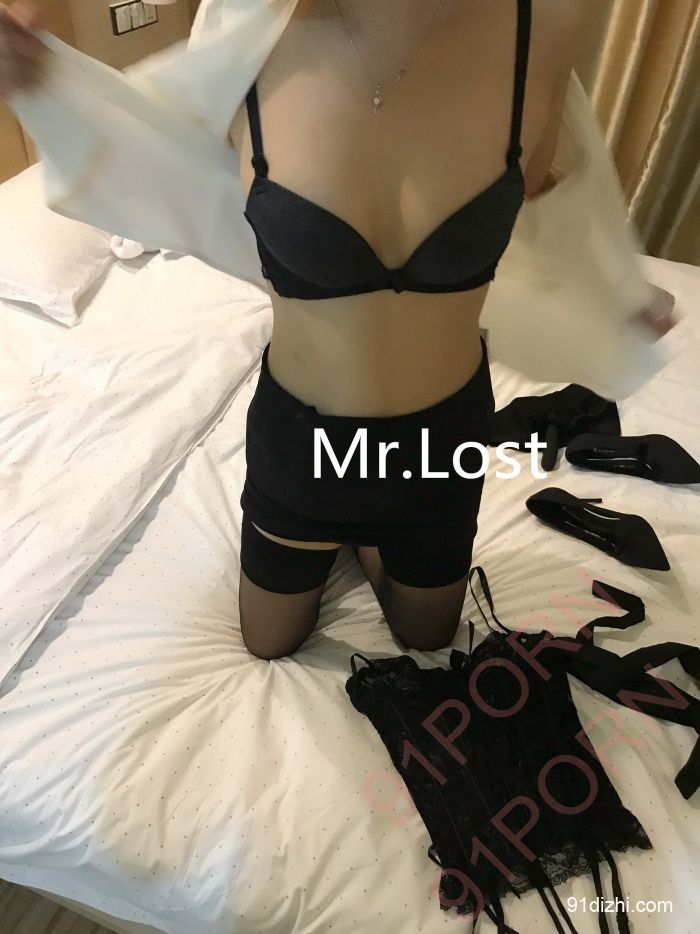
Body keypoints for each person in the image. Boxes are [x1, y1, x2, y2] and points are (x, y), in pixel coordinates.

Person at [1, 0, 676, 662]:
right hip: (303, 445)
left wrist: (607, 293)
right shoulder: (248, 24)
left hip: (440, 446)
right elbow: (149, 142)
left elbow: (550, 186)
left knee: (427, 639)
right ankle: (352, 536)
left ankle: (369, 539)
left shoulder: (546, 19)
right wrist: (44, 81)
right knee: (268, 642)